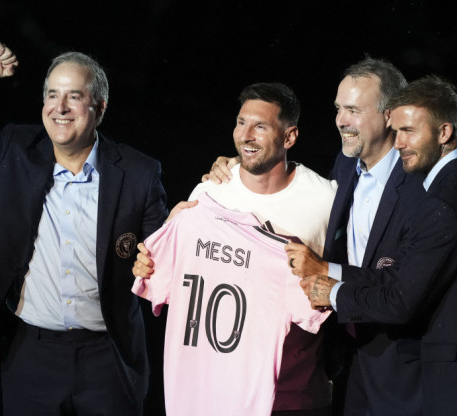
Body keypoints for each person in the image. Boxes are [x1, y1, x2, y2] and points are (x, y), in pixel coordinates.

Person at [0, 41, 168, 415]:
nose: (60, 108)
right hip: (29, 355)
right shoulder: (13, 150)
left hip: (108, 358)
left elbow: (165, 257)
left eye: (74, 96)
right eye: (52, 95)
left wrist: (223, 184)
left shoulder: (139, 172)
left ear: (99, 107)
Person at [290, 75, 457, 415]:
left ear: (444, 132)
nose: (398, 141)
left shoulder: (442, 203)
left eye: (408, 131)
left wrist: (331, 292)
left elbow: (400, 299)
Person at [206, 58, 427, 415]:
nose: (341, 120)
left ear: (390, 115)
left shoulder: (421, 187)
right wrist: (241, 166)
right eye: (339, 108)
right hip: (346, 361)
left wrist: (325, 270)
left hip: (401, 364)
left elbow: (405, 288)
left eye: (353, 110)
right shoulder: (344, 167)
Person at [133, 83, 338, 415]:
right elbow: (163, 267)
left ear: (289, 138)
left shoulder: (325, 201)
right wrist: (150, 262)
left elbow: (340, 286)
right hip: (209, 393)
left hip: (292, 394)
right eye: (241, 123)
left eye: (260, 126)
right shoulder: (210, 192)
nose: (246, 135)